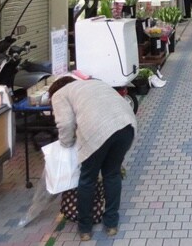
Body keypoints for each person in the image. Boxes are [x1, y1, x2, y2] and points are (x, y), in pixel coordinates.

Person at [48, 76, 137, 242]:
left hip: (97, 132)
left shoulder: (59, 94)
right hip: (126, 125)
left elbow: (65, 124)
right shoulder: (94, 83)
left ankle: (85, 228)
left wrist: (66, 144)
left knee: (88, 179)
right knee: (112, 174)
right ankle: (111, 224)